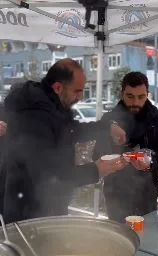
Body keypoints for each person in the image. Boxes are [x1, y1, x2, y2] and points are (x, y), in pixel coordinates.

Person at [0, 58, 128, 224]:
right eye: (77, 91)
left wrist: (107, 127)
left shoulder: (52, 106)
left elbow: (73, 130)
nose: (80, 97)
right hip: (28, 215)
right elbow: (50, 176)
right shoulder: (33, 116)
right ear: (58, 87)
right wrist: (96, 170)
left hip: (49, 207)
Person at [93, 71, 158, 222]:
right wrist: (112, 155)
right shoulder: (109, 120)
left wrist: (150, 161)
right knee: (119, 238)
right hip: (115, 192)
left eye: (141, 97)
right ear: (122, 94)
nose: (135, 102)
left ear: (147, 94)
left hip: (147, 191)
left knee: (147, 237)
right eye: (130, 96)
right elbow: (96, 155)